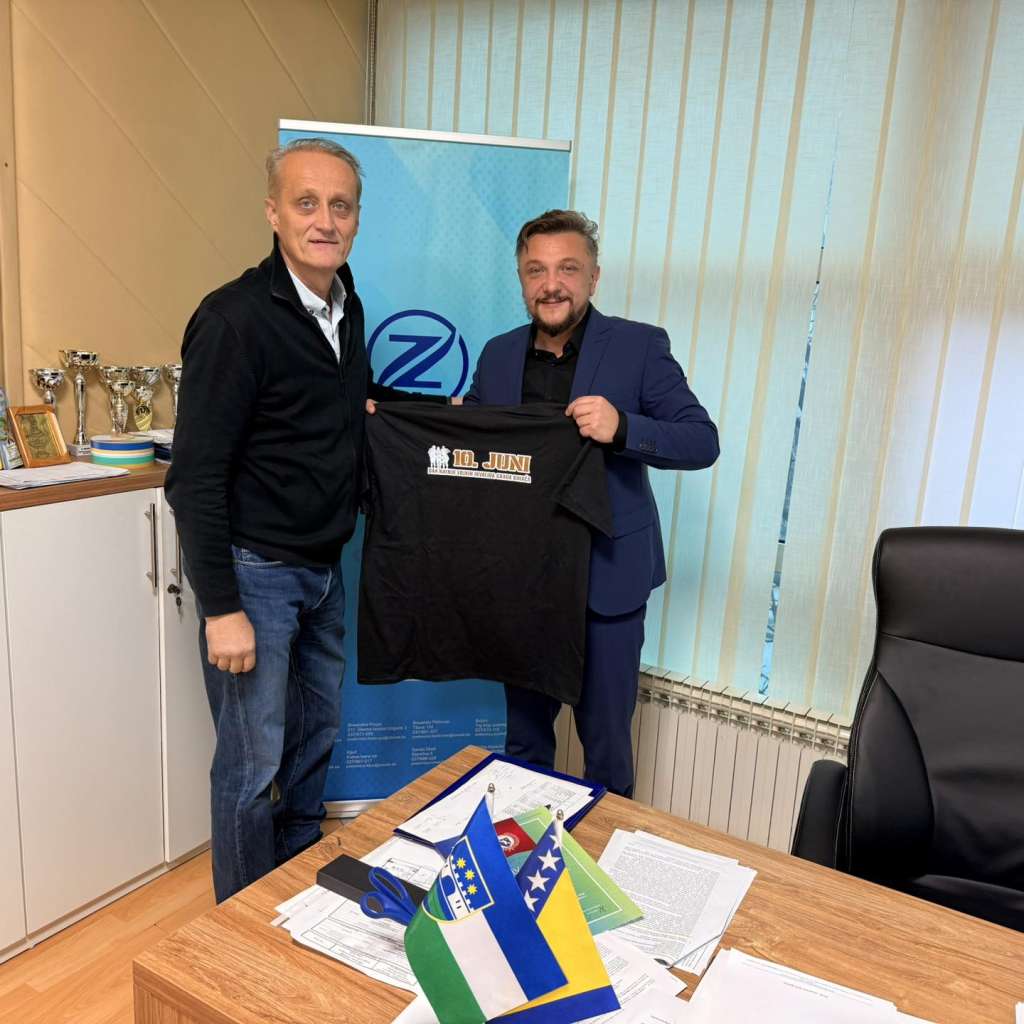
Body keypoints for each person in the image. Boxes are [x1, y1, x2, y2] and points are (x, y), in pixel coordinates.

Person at [166, 138, 441, 901]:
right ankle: (241, 925)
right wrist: (222, 608)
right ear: (273, 213)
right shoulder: (233, 319)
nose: (326, 220)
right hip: (253, 577)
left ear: (357, 218)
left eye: (340, 205)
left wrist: (443, 414)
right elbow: (194, 478)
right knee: (251, 767)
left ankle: (292, 893)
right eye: (307, 203)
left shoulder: (345, 306)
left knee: (313, 746)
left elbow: (348, 407)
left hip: (323, 574)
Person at [463, 209, 719, 797]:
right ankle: (525, 850)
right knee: (524, 746)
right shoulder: (498, 354)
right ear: (522, 280)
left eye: (568, 269)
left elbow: (702, 441)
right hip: (523, 585)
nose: (551, 284)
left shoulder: (639, 346)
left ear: (594, 277)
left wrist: (623, 426)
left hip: (608, 582)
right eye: (536, 270)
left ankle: (604, 854)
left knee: (605, 749)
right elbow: (474, 436)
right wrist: (403, 418)